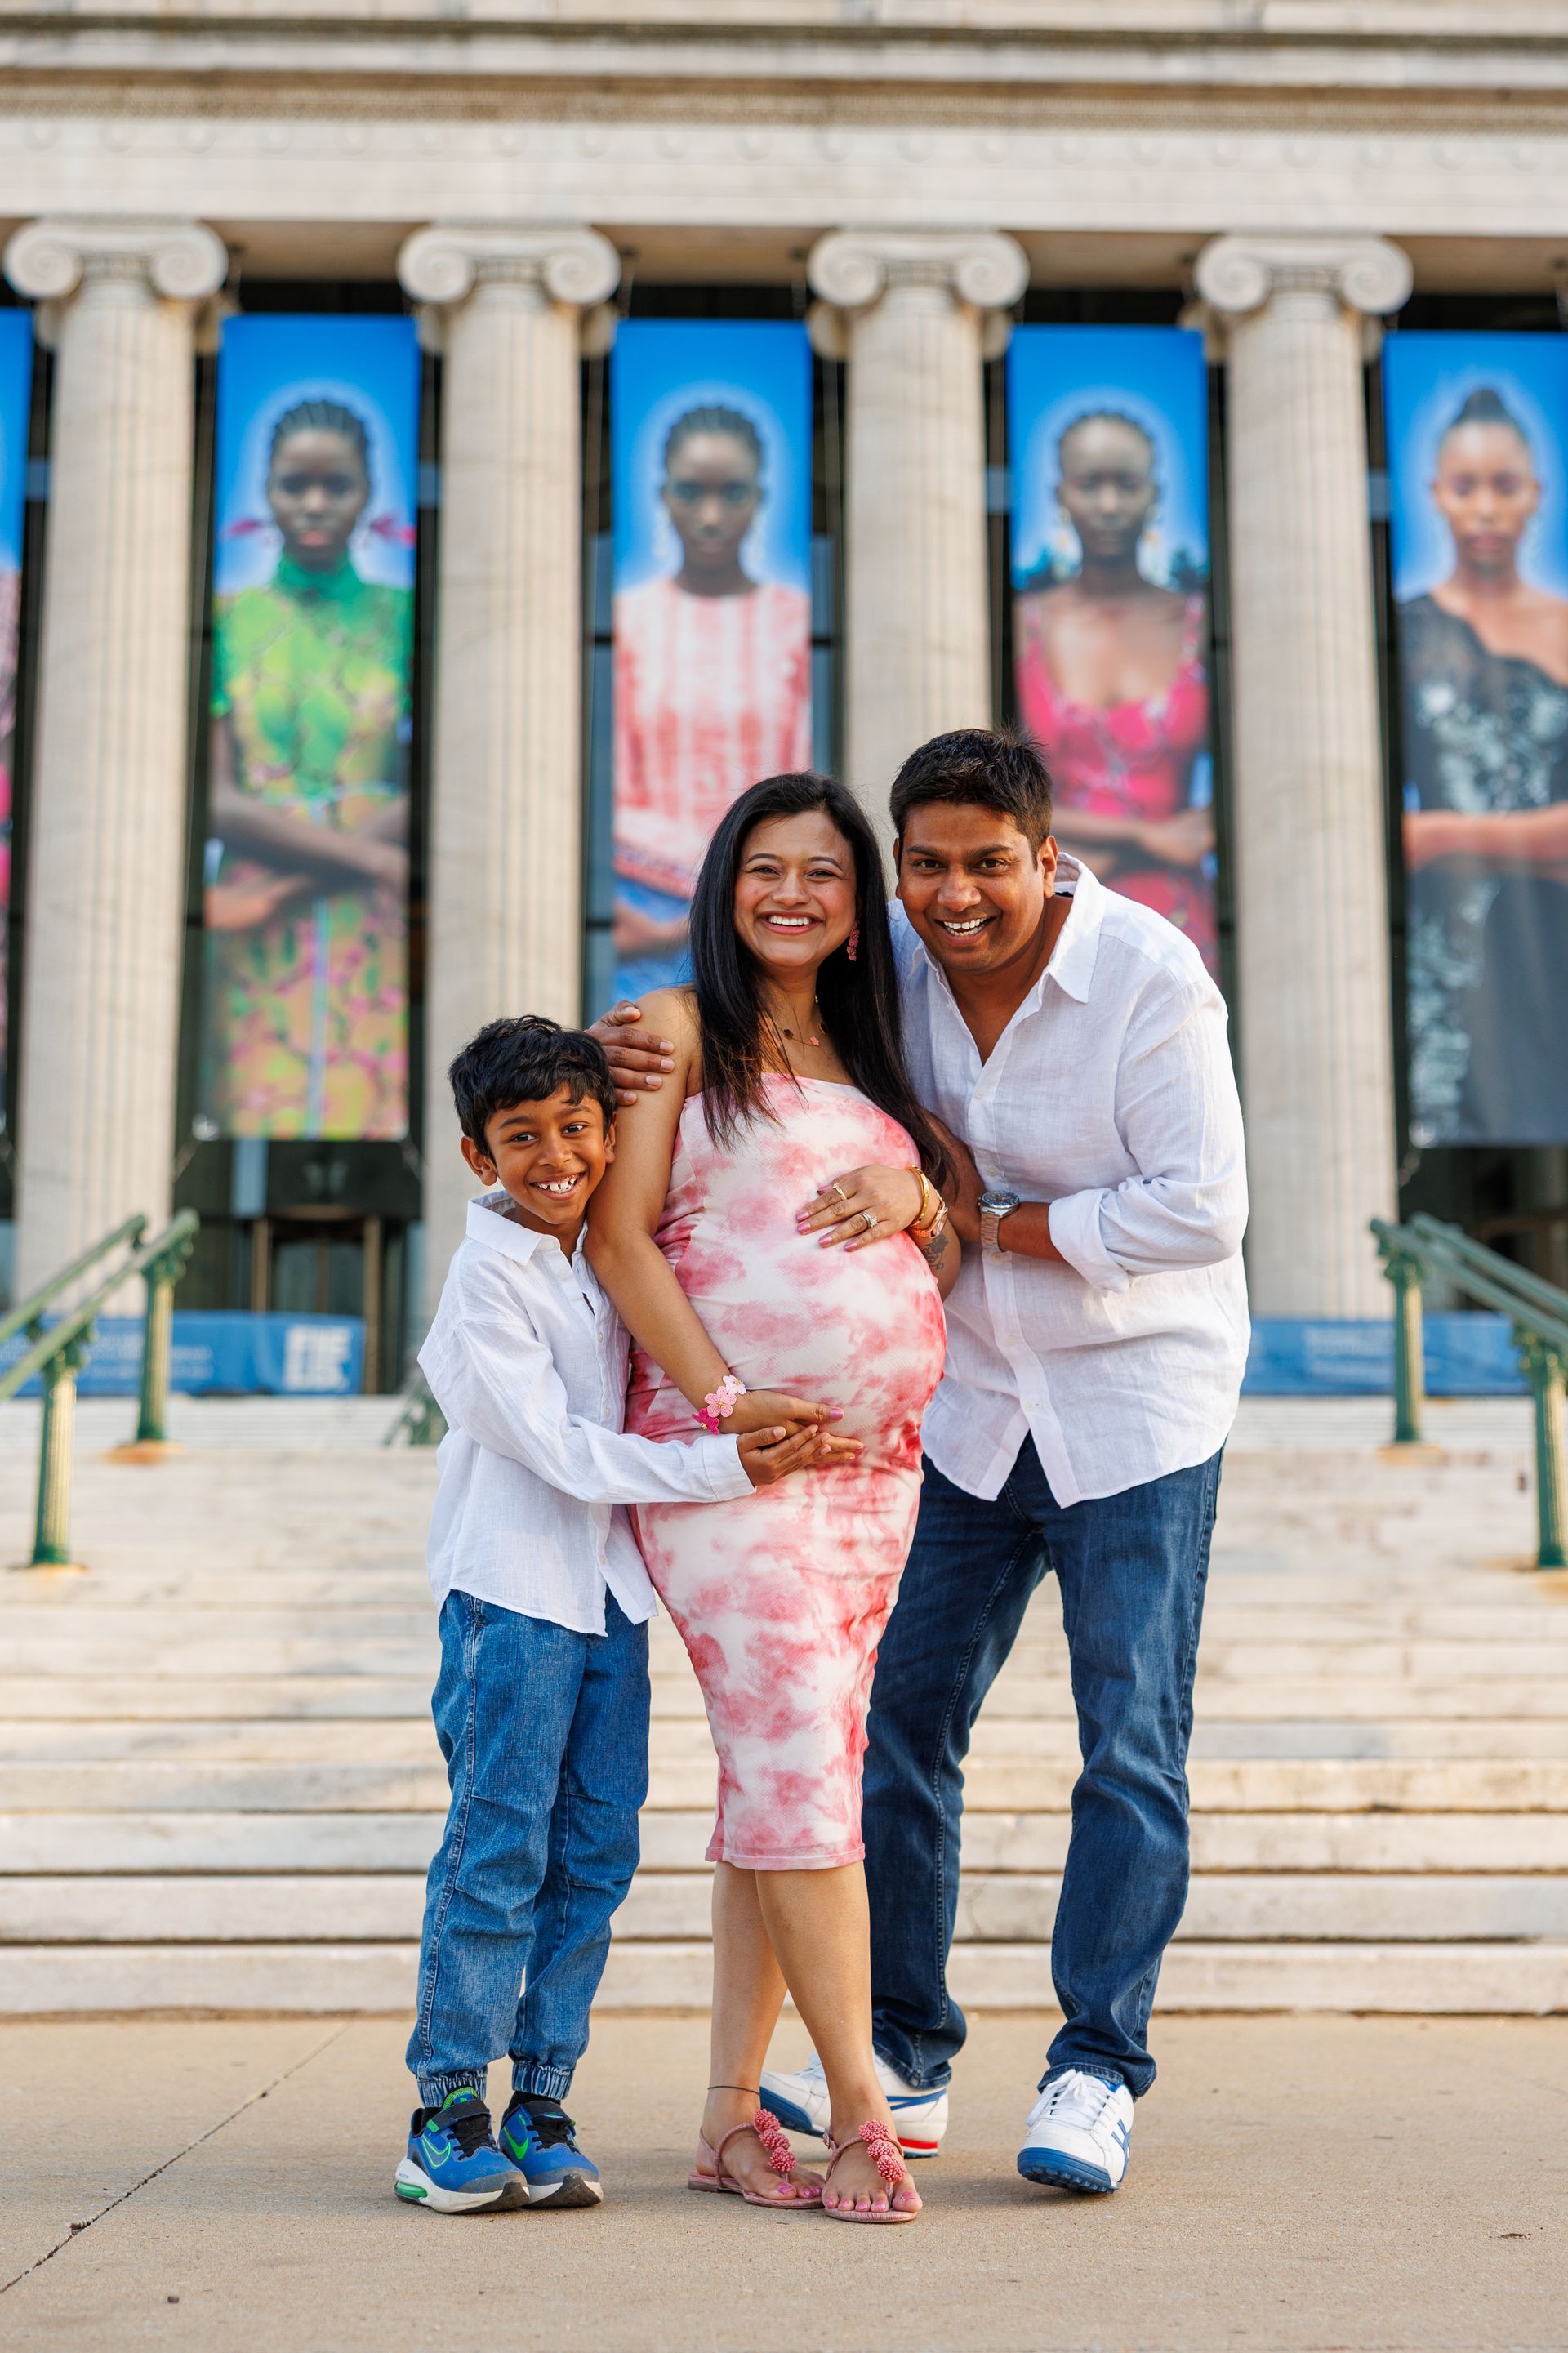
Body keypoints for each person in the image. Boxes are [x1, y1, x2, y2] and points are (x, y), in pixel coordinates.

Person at [597, 728, 1248, 2199]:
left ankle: (1096, 2064)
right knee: (885, 1736)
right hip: (948, 1430)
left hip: (1129, 1404)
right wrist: (621, 1040)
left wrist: (966, 1208)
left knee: (1129, 1742)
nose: (955, 895)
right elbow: (735, 998)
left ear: (1048, 855)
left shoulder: (1147, 978)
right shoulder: (874, 961)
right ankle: (899, 2048)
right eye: (928, 865)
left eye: (987, 866)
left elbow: (1202, 1210)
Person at [586, 772, 960, 2224]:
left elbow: (947, 1253)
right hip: (725, 1458)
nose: (792, 891)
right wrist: (734, 1404)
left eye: (823, 871)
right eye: (764, 867)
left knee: (782, 1781)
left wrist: (921, 1201)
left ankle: (731, 2125)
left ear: (860, 907)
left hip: (876, 1473)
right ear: (724, 886)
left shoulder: (879, 1064)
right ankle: (862, 2104)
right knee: (807, 1769)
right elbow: (623, 1244)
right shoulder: (676, 1030)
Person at [399, 1015, 832, 2217]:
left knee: (593, 1855)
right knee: (498, 1854)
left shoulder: (602, 1257)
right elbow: (567, 1455)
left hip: (606, 1603)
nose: (557, 1154)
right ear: (479, 1157)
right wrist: (730, 1463)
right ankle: (446, 2111)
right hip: (513, 1600)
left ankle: (542, 2099)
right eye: (522, 1135)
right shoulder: (486, 1283)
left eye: (577, 1127)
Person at [203, 394, 412, 1139]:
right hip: (258, 911)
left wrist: (302, 878)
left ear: (367, 491)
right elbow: (218, 800)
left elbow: (432, 786)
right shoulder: (227, 618)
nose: (316, 503)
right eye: (296, 485)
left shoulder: (407, 614)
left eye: (338, 484)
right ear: (266, 489)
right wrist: (357, 858)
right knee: (253, 1111)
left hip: (369, 923)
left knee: (373, 1113)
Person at [1398, 384, 1568, 1144]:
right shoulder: (1407, 629)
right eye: (1467, 487)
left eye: (1505, 486)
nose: (1487, 509)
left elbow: (1413, 833)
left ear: (1536, 493)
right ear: (1437, 495)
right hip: (1450, 944)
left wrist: (1438, 834)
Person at [612, 403, 812, 996]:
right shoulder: (630, 621)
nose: (710, 515)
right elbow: (614, 793)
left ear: (760, 498)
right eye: (690, 492)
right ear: (662, 495)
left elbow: (805, 790)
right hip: (639, 909)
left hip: (771, 908)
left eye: (732, 494)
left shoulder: (796, 622)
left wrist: (720, 907)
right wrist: (672, 924)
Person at [1013, 409, 1218, 978]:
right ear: (1060, 493)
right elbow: (988, 792)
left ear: (1155, 494)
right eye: (1089, 484)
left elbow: (1248, 794)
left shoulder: (1199, 629)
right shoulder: (1022, 628)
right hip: (1051, 913)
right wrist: (1148, 836)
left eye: (1125, 485)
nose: (1107, 505)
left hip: (1174, 920)